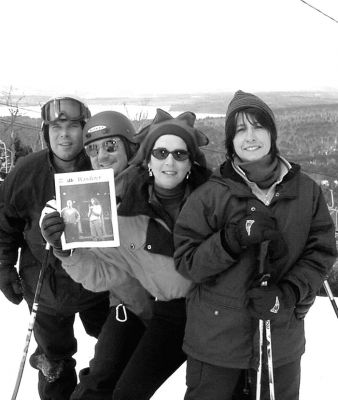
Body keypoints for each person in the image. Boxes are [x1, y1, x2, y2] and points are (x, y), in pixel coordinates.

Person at [173, 90, 337, 400]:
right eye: (239, 129)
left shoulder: (306, 192)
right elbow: (188, 262)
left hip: (281, 338)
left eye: (258, 126)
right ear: (230, 141)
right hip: (216, 344)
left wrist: (288, 294)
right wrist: (230, 239)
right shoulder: (210, 195)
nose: (250, 136)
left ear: (272, 133)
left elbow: (321, 253)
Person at [40, 108, 211, 400]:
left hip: (189, 309)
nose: (102, 157)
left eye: (110, 146)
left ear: (131, 148)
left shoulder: (162, 187)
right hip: (133, 306)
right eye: (93, 150)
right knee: (101, 381)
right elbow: (103, 272)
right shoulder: (96, 203)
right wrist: (64, 248)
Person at [0, 95, 111, 400]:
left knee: (113, 356)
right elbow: (5, 222)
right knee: (55, 363)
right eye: (56, 126)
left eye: (72, 126)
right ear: (46, 131)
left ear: (84, 129)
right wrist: (4, 267)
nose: (64, 134)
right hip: (45, 288)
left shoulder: (102, 167)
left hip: (100, 285)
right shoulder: (26, 172)